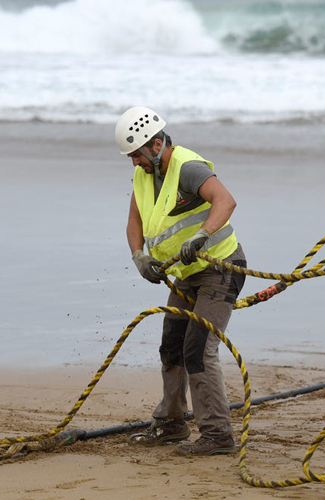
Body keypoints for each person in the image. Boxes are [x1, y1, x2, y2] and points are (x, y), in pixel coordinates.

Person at [115, 106, 247, 456]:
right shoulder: (144, 176)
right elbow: (135, 223)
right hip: (186, 277)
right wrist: (139, 257)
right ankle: (172, 424)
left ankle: (218, 435)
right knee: (172, 345)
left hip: (221, 269)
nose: (134, 163)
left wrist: (202, 235)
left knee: (198, 349)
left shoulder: (188, 168)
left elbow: (225, 200)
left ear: (156, 145)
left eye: (136, 156)